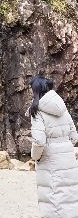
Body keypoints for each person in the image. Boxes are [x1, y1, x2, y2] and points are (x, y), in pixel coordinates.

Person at [30, 75, 78, 217]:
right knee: (69, 197)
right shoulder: (62, 108)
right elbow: (74, 136)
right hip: (68, 159)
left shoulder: (37, 110)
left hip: (49, 159)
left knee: (53, 199)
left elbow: (39, 141)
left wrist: (35, 157)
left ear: (36, 91)